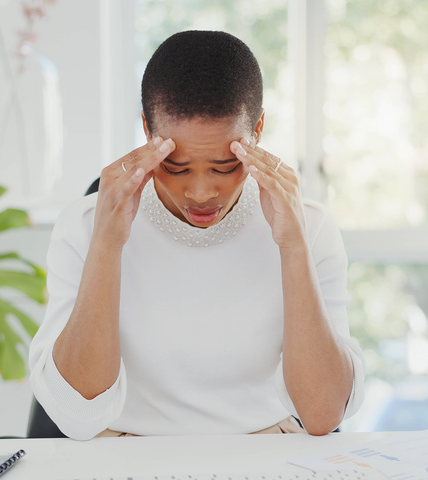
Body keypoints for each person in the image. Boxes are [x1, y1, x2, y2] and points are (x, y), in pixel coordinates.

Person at [29, 30, 364, 440]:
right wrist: (107, 245)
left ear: (258, 129)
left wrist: (292, 246)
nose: (201, 192)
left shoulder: (309, 227)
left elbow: (323, 415)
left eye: (224, 167)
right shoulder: (85, 225)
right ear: (147, 131)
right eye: (176, 167)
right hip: (126, 453)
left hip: (264, 452)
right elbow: (76, 415)